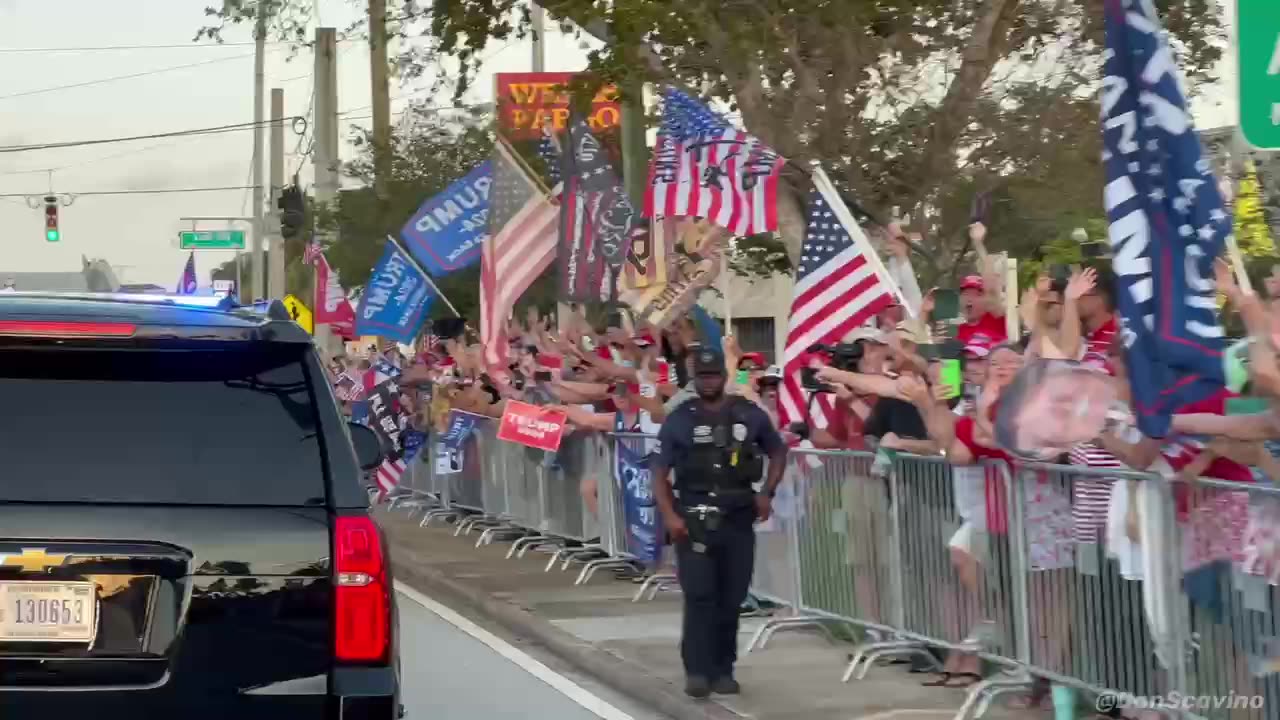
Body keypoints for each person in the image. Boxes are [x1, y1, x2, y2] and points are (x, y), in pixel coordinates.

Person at [651, 347, 788, 698]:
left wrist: (767, 493)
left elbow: (777, 451)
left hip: (738, 517)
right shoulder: (680, 418)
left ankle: (723, 669)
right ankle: (697, 671)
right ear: (694, 378)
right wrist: (669, 516)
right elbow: (660, 472)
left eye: (713, 376)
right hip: (693, 518)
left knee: (731, 598)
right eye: (703, 376)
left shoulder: (748, 414)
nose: (708, 382)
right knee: (700, 597)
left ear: (724, 378)